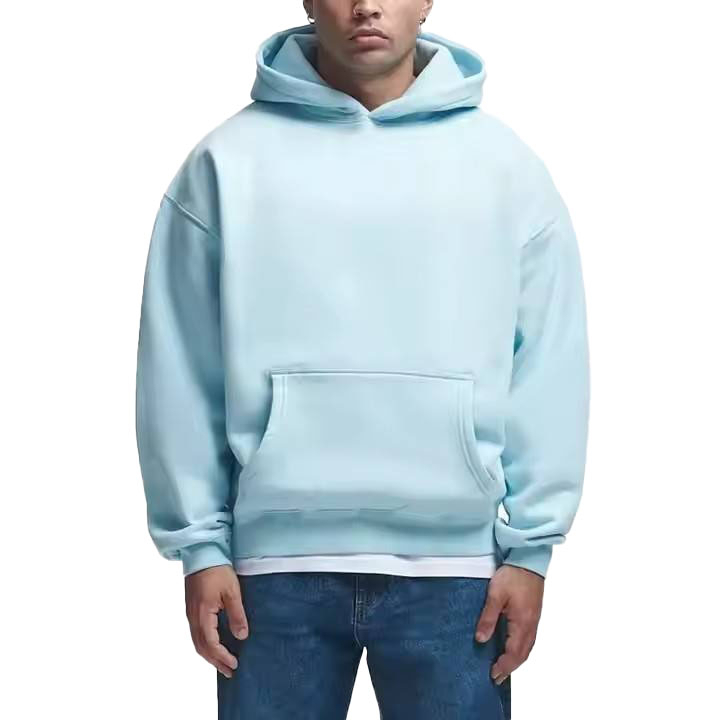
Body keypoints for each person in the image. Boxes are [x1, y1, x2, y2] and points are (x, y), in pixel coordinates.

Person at [134, 2, 590, 718]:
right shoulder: (225, 165)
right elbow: (180, 365)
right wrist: (201, 546)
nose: (367, 5)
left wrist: (532, 549)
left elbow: (550, 366)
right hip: (270, 575)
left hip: (458, 573)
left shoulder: (506, 170)